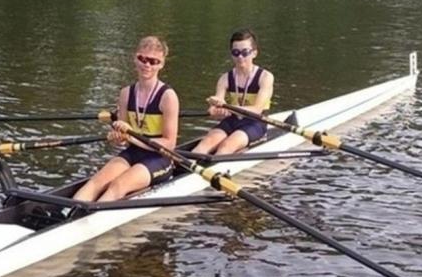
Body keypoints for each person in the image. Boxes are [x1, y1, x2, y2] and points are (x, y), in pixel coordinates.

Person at [73, 36, 180, 203]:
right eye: (142, 59)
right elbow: (123, 140)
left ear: (161, 64)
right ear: (135, 58)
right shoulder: (126, 94)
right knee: (95, 182)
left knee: (118, 185)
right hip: (132, 153)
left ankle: (93, 215)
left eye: (153, 61)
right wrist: (118, 137)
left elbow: (170, 143)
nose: (147, 65)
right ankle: (67, 212)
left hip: (159, 158)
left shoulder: (168, 97)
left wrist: (131, 137)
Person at [195, 29, 274, 156]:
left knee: (227, 145)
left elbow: (257, 109)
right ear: (231, 54)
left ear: (254, 53)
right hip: (232, 120)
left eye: (245, 52)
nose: (240, 57)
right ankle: (186, 165)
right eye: (236, 52)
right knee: (207, 142)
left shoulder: (265, 77)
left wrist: (228, 108)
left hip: (255, 122)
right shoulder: (225, 78)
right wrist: (215, 110)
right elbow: (218, 105)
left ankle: (217, 164)